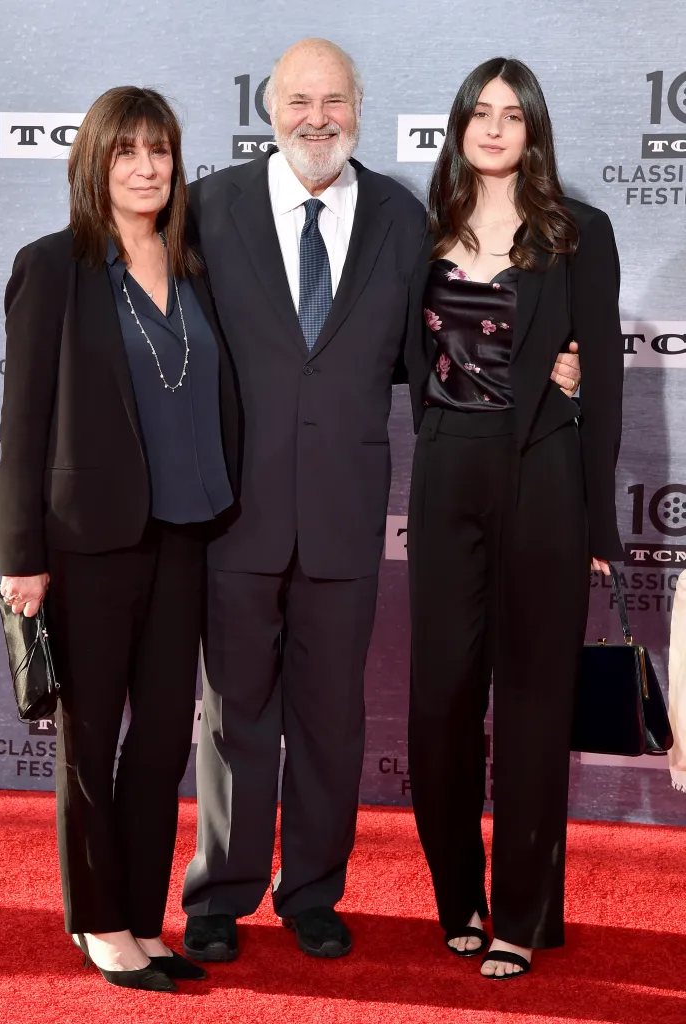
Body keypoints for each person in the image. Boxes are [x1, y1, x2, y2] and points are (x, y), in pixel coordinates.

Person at [181, 39, 581, 962]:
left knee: (330, 717)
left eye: (334, 100)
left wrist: (561, 363)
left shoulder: (407, 222)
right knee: (234, 712)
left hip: (348, 510)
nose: (316, 118)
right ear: (268, 108)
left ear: (358, 105)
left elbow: (454, 349)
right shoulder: (208, 208)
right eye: (298, 101)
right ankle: (222, 893)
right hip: (234, 511)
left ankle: (312, 892)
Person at [0, 86, 239, 991]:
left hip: (186, 534)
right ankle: (99, 924)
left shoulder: (196, 267)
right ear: (93, 163)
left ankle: (143, 915)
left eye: (160, 150)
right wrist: (21, 555)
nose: (145, 167)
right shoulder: (54, 266)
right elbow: (21, 427)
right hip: (86, 543)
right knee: (89, 741)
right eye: (125, 150)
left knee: (164, 739)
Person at [404, 57, 624, 979]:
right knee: (441, 701)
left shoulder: (578, 234)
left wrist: (599, 523)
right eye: (478, 113)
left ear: (534, 129)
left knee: (535, 703)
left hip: (541, 473)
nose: (494, 128)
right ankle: (458, 897)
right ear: (459, 126)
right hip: (446, 468)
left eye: (512, 115)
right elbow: (393, 355)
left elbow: (603, 383)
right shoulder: (418, 235)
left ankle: (523, 916)